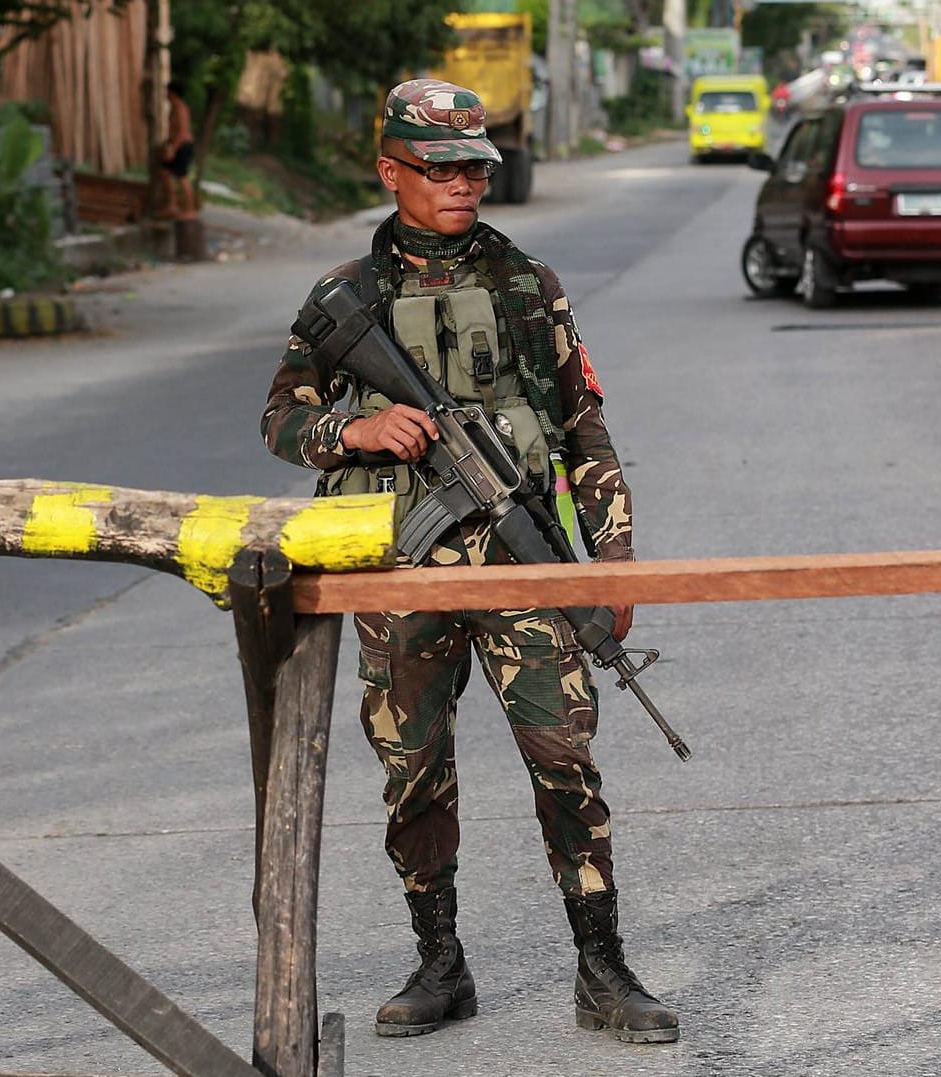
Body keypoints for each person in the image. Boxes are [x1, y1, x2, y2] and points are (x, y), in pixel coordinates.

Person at [258, 79, 677, 1045]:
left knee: (563, 755)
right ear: (390, 172)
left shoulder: (531, 285)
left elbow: (585, 431)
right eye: (440, 168)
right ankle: (440, 963)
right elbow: (279, 421)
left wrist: (612, 561)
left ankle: (602, 968)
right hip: (396, 574)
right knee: (411, 770)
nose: (462, 185)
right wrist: (356, 427)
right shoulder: (345, 301)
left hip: (522, 564)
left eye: (474, 168)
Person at [159, 81, 197, 220]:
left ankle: (190, 209)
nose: (166, 94)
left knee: (181, 177)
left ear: (173, 93)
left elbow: (182, 131)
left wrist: (173, 149)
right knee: (164, 173)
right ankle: (172, 205)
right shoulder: (174, 107)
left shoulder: (181, 108)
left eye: (167, 91)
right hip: (175, 145)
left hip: (183, 146)